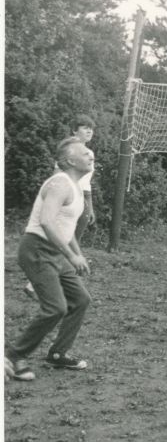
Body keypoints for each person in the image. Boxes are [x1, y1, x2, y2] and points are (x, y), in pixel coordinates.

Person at [6, 137, 95, 381]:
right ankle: (13, 355)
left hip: (56, 252)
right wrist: (70, 256)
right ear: (69, 160)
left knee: (80, 299)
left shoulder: (76, 188)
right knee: (55, 308)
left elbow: (64, 227)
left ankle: (57, 354)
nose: (90, 155)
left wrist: (76, 254)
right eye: (85, 152)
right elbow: (46, 221)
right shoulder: (60, 183)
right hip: (37, 249)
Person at [24, 115, 95, 301]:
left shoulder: (87, 154)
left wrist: (89, 206)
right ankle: (37, 283)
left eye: (91, 128)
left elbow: (86, 185)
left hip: (80, 201)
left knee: (69, 240)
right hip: (67, 202)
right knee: (61, 241)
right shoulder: (69, 154)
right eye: (84, 127)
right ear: (74, 130)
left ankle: (66, 277)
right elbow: (60, 181)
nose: (89, 131)